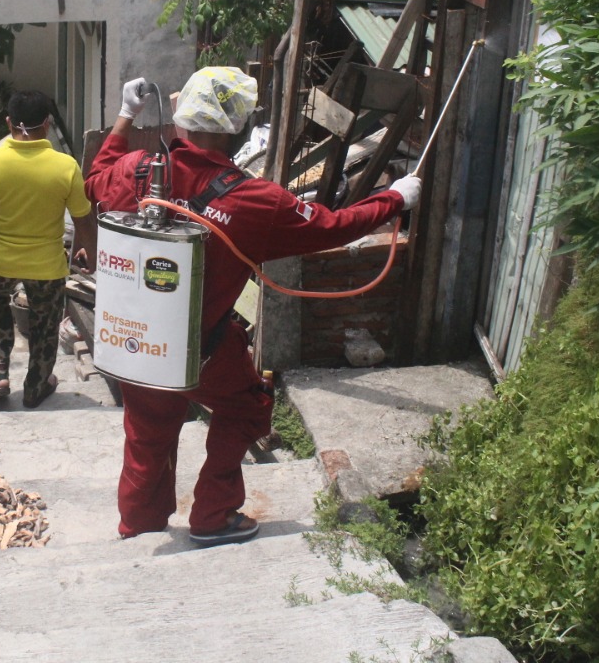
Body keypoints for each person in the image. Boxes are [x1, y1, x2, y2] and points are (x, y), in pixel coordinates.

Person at [84, 66, 420, 546]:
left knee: (146, 437)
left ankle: (138, 531)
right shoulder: (255, 201)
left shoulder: (134, 169)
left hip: (138, 345)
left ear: (179, 117)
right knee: (246, 409)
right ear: (240, 128)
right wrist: (394, 198)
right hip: (205, 350)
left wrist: (124, 115)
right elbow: (333, 226)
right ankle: (213, 516)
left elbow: (94, 176)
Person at [0, 90, 98, 409]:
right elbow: (84, 220)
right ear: (47, 125)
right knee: (45, 326)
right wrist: (90, 252)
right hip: (47, 268)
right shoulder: (65, 167)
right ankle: (36, 387)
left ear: (8, 123)